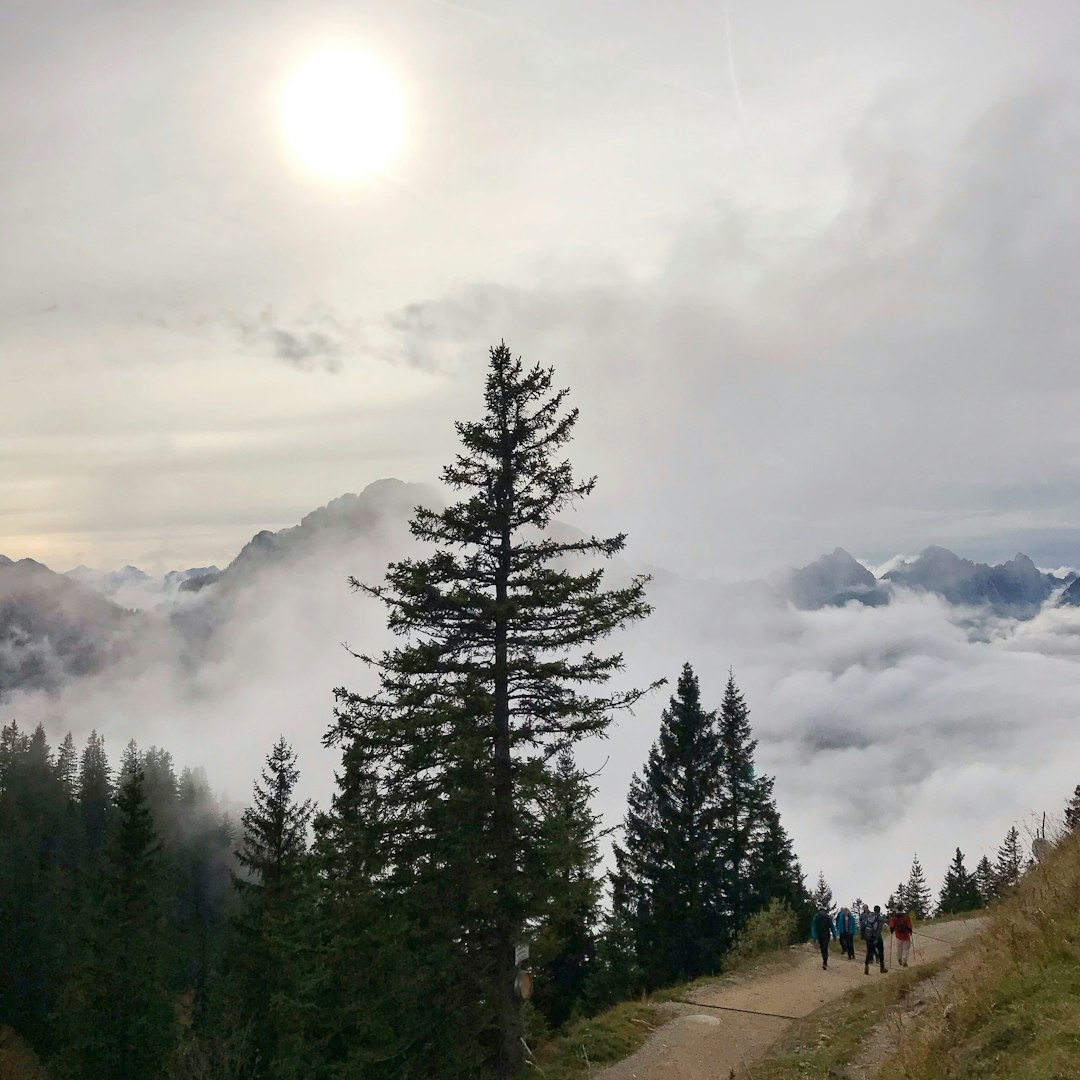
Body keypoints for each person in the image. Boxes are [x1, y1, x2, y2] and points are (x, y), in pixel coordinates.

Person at [861, 904, 887, 975]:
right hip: (877, 938)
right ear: (879, 911)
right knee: (881, 951)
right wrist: (877, 939)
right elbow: (879, 930)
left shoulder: (868, 916)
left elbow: (863, 926)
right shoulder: (880, 918)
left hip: (868, 937)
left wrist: (863, 936)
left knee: (869, 952)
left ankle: (866, 966)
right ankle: (882, 968)